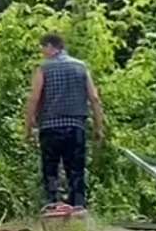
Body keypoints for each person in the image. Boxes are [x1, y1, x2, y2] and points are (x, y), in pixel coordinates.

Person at [25, 32, 105, 213]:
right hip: (76, 126)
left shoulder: (43, 68)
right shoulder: (81, 67)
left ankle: (53, 203)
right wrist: (99, 126)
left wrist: (28, 126)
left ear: (50, 47)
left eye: (42, 49)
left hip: (50, 127)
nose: (42, 53)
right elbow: (94, 97)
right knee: (76, 168)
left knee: (50, 167)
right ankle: (78, 206)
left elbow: (34, 98)